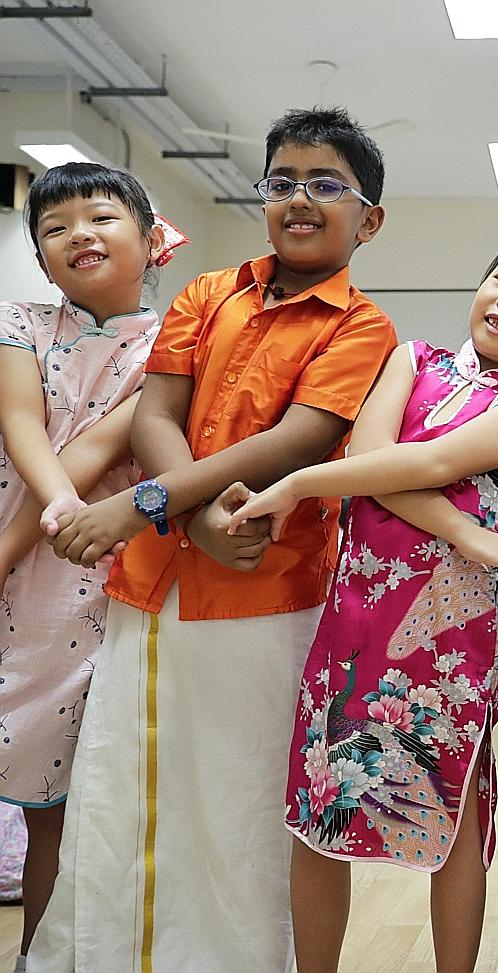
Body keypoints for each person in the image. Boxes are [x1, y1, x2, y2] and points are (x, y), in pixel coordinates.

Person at [29, 107, 396, 973]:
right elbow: (159, 412)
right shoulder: (207, 290)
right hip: (155, 577)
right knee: (126, 783)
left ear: (368, 218)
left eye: (326, 185)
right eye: (281, 182)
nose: (299, 199)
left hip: (266, 587)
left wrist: (138, 506)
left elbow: (299, 438)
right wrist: (179, 512)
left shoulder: (362, 324)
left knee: (239, 800)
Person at [228, 228, 498, 973]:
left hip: (453, 630)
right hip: (356, 613)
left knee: (452, 809)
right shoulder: (411, 359)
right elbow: (369, 466)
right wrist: (462, 526)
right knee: (318, 809)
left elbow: (425, 461)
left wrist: (305, 481)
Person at [0, 162, 179, 971]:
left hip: (97, 583)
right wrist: (46, 510)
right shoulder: (21, 323)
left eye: (101, 217)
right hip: (26, 557)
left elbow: (104, 447)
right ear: (40, 259)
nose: (79, 234)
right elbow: (21, 423)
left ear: (150, 237)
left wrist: (40, 528)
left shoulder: (177, 344)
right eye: (55, 227)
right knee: (45, 803)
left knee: (78, 808)